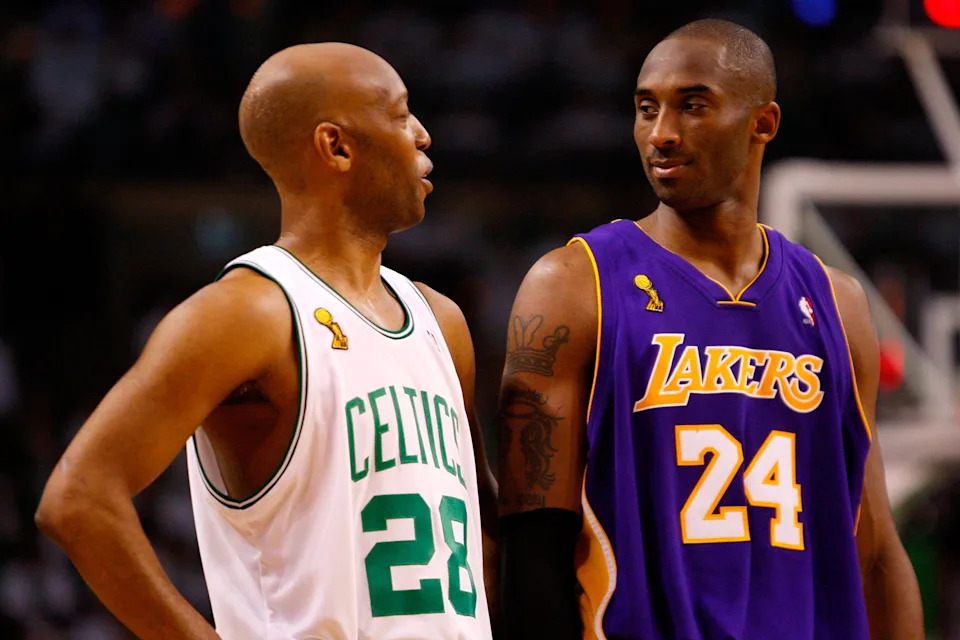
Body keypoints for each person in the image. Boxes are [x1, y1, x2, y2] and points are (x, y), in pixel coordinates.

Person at [36, 43, 496, 640]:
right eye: (401, 113)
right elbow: (78, 497)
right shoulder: (248, 312)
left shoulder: (441, 321)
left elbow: (482, 532)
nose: (423, 135)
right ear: (336, 146)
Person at [497, 19, 924, 640]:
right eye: (646, 109)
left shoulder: (838, 303)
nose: (661, 133)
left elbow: (877, 548)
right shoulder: (573, 284)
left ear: (763, 123)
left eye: (693, 106)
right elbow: (531, 543)